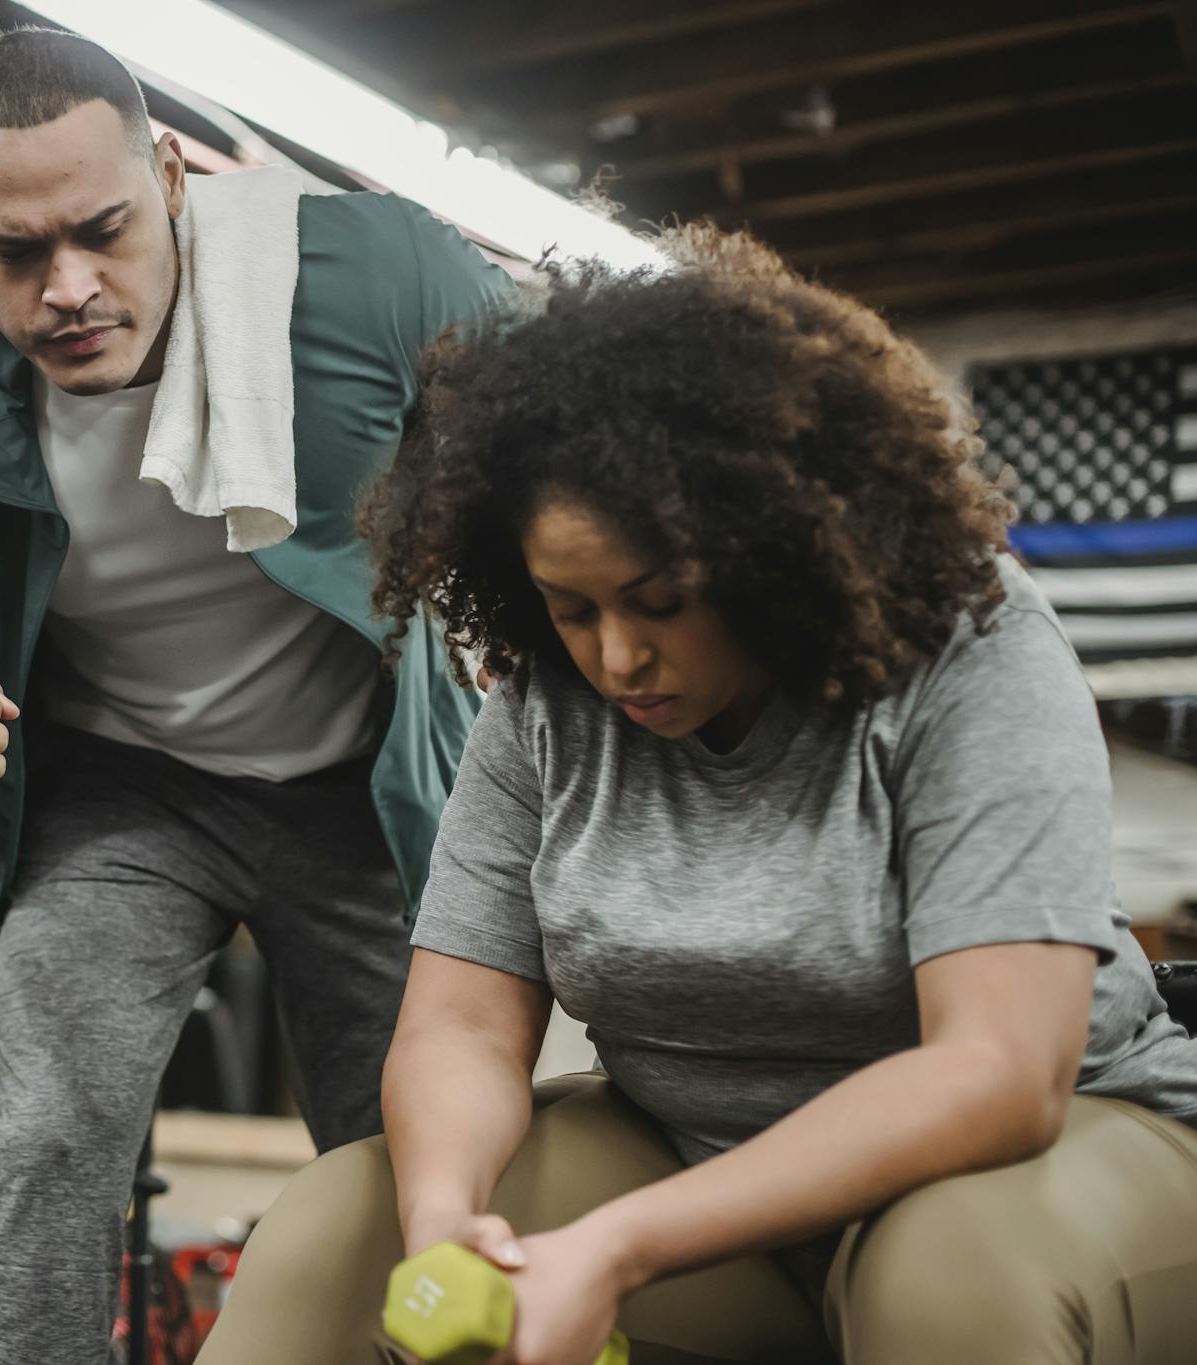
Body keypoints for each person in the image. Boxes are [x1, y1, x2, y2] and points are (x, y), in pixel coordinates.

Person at [196, 227, 1197, 1365]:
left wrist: (620, 1246)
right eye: (569, 609)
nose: (616, 657)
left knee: (944, 1279)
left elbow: (998, 1074)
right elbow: (463, 1028)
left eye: (658, 599)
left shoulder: (967, 641)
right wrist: (443, 1234)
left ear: (767, 550)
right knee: (337, 1229)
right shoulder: (543, 697)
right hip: (699, 1174)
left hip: (1057, 1166)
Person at [0, 27, 517, 1364]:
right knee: (52, 1126)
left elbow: (580, 436)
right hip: (123, 792)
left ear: (172, 175)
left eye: (102, 231)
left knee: (414, 1157)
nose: (67, 287)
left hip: (365, 786)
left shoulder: (371, 276)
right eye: (13, 252)